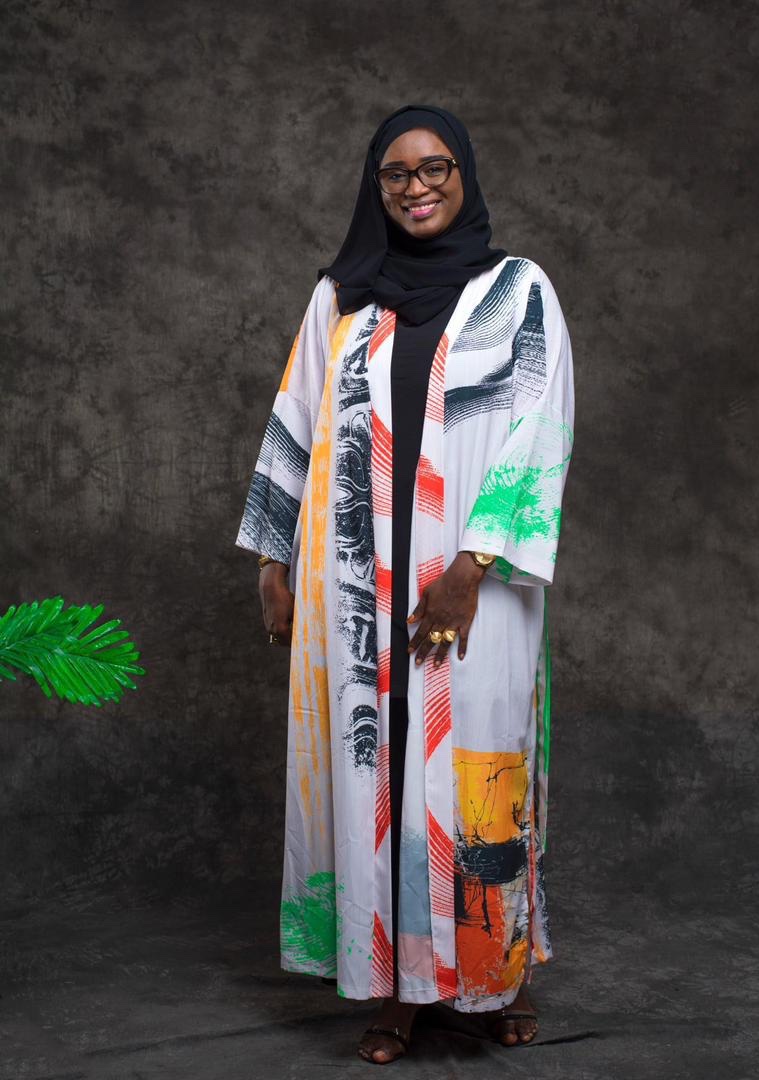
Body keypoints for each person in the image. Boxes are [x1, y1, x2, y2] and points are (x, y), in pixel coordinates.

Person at [234, 103, 575, 1065]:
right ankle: (394, 986)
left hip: (476, 589)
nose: (416, 187)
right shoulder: (342, 297)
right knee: (373, 772)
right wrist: (270, 561)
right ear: (375, 187)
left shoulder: (518, 292)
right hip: (353, 588)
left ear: (463, 174)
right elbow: (294, 419)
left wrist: (469, 569)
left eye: (434, 168)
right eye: (396, 173)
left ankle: (496, 975)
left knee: (482, 772)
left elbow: (538, 432)